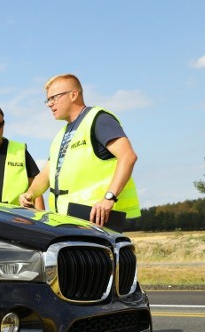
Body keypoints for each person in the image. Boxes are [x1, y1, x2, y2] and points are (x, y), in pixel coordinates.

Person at [19, 74, 140, 227]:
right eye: (48, 100)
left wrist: (109, 198)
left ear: (73, 95)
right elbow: (46, 174)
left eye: (54, 98)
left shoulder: (98, 119)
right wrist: (30, 193)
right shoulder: (60, 135)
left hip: (99, 217)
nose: (50, 104)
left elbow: (128, 156)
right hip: (68, 219)